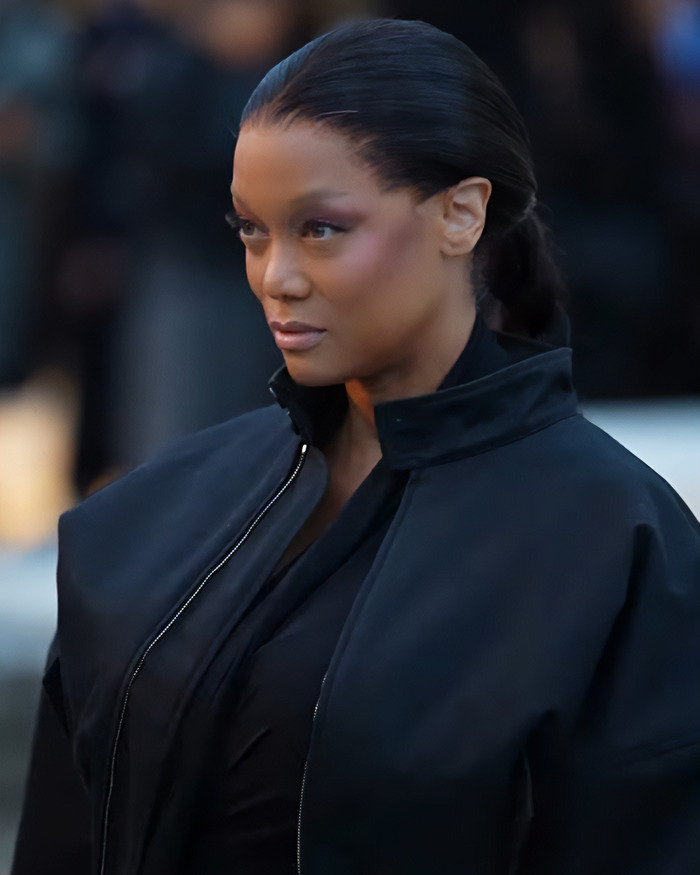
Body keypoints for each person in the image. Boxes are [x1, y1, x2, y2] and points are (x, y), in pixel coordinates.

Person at [11, 18, 699, 875]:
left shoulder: (619, 546)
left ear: (461, 213)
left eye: (322, 228)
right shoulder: (152, 514)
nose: (276, 276)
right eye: (252, 231)